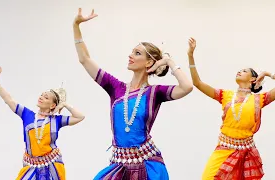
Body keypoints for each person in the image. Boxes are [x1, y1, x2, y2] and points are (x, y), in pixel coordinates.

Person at [73, 8, 193, 179]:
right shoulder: (115, 87)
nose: (130, 56)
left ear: (149, 62)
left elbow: (187, 87)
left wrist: (168, 61)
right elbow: (85, 59)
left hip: (148, 164)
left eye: (137, 53)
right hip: (119, 165)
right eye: (132, 52)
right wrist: (76, 26)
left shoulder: (155, 93)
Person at [186, 38, 275, 179]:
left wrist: (267, 73)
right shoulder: (225, 95)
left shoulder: (259, 99)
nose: (239, 72)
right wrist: (190, 55)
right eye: (240, 70)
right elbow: (198, 83)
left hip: (246, 152)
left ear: (252, 80)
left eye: (244, 71)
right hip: (224, 148)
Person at [0, 66, 85, 180]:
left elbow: (80, 117)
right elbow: (8, 100)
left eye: (46, 97)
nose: (41, 97)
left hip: (53, 165)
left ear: (52, 105)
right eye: (41, 95)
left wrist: (65, 104)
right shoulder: (27, 115)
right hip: (30, 165)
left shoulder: (56, 120)